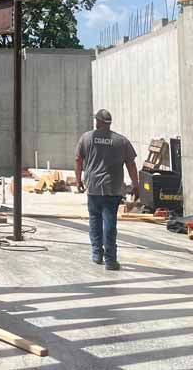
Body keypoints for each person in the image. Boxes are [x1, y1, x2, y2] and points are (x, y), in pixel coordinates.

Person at [74, 109, 138, 271]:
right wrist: (136, 185)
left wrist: (78, 180)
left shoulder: (86, 138)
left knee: (95, 220)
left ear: (97, 122)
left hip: (94, 187)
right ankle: (110, 260)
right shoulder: (121, 141)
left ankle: (97, 254)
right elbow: (131, 163)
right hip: (113, 188)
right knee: (110, 222)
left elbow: (78, 159)